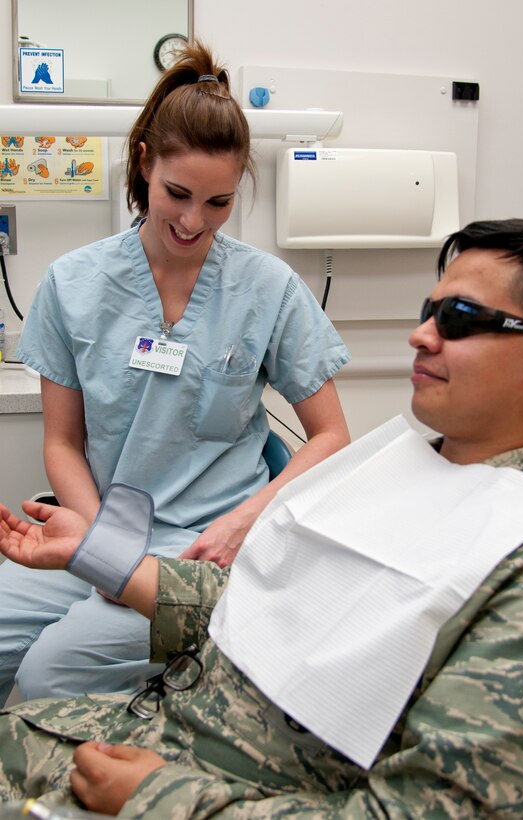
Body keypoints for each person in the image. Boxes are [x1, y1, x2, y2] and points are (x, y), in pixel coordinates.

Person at [0, 217, 523, 817]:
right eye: (429, 311)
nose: (420, 336)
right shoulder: (398, 469)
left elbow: (435, 809)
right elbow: (264, 599)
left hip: (208, 788)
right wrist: (96, 555)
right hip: (165, 725)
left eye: (459, 319)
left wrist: (162, 798)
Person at [0, 40, 351, 707]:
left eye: (218, 203)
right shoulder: (73, 284)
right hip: (96, 522)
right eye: (177, 194)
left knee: (50, 675)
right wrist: (101, 545)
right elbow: (62, 443)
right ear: (144, 164)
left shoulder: (266, 288)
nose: (193, 222)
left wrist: (247, 520)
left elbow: (332, 436)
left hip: (202, 550)